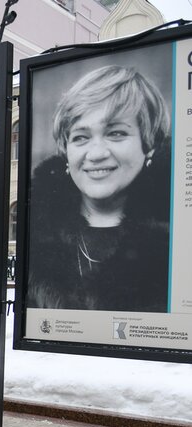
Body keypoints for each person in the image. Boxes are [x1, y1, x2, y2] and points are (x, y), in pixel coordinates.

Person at [27, 65, 170, 312]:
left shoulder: (175, 240)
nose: (96, 154)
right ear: (65, 149)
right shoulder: (38, 236)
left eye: (115, 133)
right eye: (81, 137)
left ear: (150, 144)